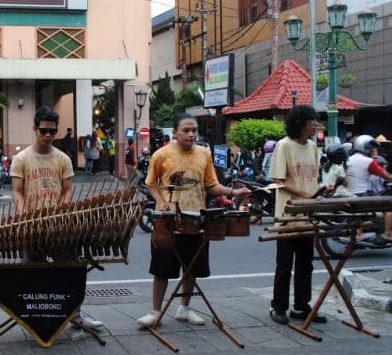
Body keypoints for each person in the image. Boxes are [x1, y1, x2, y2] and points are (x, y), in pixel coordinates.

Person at [137, 113, 250, 328]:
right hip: (169, 220)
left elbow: (212, 186)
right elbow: (151, 183)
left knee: (191, 267)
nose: (191, 134)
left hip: (197, 217)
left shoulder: (204, 154)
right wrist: (160, 201)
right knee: (161, 268)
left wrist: (233, 192)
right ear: (176, 132)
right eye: (186, 131)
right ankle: (154, 312)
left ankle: (184, 309)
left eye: (194, 131)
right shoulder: (161, 155)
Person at [10, 105, 103, 330]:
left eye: (52, 131)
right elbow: (17, 191)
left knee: (71, 268)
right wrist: (23, 216)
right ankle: (36, 318)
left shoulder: (62, 158)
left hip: (59, 226)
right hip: (31, 226)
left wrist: (61, 211)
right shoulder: (21, 158)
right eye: (44, 131)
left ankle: (75, 314)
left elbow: (67, 189)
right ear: (35, 129)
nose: (48, 135)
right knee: (33, 273)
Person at [268, 105, 327, 326]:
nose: (315, 126)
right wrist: (304, 195)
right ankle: (278, 307)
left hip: (308, 216)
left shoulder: (313, 147)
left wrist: (319, 193)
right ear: (301, 124)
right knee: (284, 265)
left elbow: (313, 178)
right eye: (312, 122)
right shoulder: (284, 146)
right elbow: (278, 182)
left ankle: (301, 307)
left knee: (306, 264)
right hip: (287, 215)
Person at [346, 134, 392, 242]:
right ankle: (388, 233)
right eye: (371, 148)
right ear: (365, 147)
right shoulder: (368, 162)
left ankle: (362, 231)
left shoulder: (348, 159)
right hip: (363, 195)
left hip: (350, 195)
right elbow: (387, 176)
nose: (373, 151)